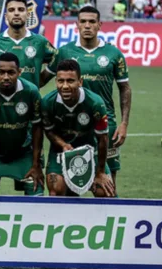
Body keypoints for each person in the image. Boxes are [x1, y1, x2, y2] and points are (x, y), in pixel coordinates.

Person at [45, 6, 131, 194]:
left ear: (99, 25)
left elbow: (124, 88)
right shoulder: (64, 52)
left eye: (92, 21)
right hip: (69, 124)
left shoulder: (113, 54)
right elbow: (41, 79)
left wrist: (123, 123)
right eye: (83, 21)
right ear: (77, 25)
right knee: (66, 181)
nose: (87, 25)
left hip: (104, 124)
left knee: (107, 184)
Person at [0, 53, 44, 195]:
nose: (6, 77)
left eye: (11, 72)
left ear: (19, 72)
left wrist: (36, 165)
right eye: (1, 72)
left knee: (36, 192)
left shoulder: (31, 91)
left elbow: (37, 128)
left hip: (23, 153)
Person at [42, 59, 115, 197]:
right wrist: (63, 144)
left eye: (70, 81)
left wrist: (100, 172)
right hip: (60, 153)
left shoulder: (95, 103)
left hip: (90, 152)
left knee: (105, 192)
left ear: (80, 82)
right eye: (60, 81)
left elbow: (103, 139)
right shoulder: (47, 103)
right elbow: (49, 130)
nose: (64, 86)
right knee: (56, 190)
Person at [0, 0, 56, 88]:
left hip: (29, 101)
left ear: (28, 15)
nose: (16, 13)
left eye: (21, 10)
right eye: (11, 10)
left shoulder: (41, 42)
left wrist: (42, 79)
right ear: (6, 16)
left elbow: (59, 59)